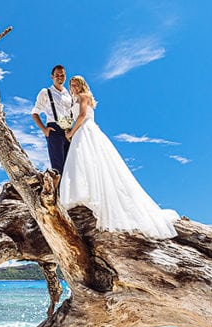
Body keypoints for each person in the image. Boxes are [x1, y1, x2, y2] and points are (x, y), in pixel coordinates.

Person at [60, 75, 178, 239]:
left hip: (85, 130)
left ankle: (93, 197)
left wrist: (71, 132)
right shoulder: (75, 100)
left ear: (82, 85)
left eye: (76, 84)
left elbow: (82, 116)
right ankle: (84, 195)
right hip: (80, 132)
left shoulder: (83, 96)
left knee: (88, 160)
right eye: (71, 85)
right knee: (81, 162)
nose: (73, 87)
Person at [31, 65, 74, 173]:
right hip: (54, 130)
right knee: (58, 167)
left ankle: (68, 190)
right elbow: (35, 113)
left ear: (65, 76)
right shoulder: (45, 92)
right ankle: (58, 190)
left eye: (62, 75)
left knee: (71, 166)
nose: (60, 77)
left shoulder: (68, 95)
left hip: (69, 131)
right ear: (52, 77)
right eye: (57, 75)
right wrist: (45, 130)